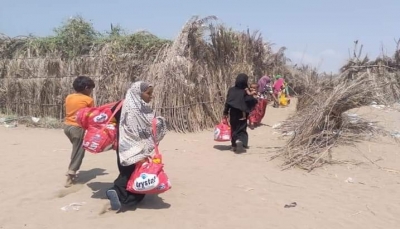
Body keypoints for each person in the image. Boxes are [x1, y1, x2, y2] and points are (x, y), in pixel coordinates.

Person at [106, 81, 167, 212]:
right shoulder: (141, 109)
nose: (151, 96)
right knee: (140, 175)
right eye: (148, 93)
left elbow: (112, 119)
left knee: (127, 172)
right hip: (138, 148)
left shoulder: (122, 104)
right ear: (138, 93)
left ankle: (118, 193)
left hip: (123, 148)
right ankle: (122, 197)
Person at [63, 76, 95, 187]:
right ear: (86, 88)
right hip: (78, 128)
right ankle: (71, 175)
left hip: (67, 127)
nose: (91, 92)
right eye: (90, 89)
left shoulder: (69, 97)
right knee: (79, 152)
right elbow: (90, 116)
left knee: (76, 149)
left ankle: (71, 170)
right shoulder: (88, 100)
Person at [223, 73, 257, 152]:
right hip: (242, 113)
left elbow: (228, 102)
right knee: (242, 128)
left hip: (233, 113)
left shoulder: (231, 90)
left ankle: (234, 145)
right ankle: (242, 142)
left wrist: (225, 113)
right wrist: (254, 99)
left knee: (234, 128)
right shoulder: (245, 91)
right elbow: (249, 100)